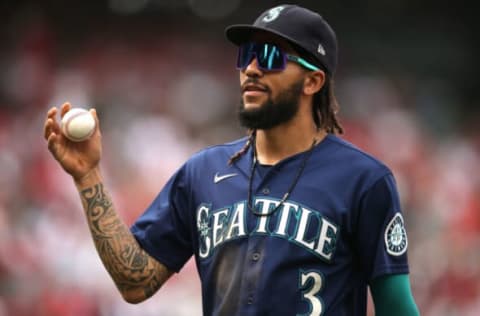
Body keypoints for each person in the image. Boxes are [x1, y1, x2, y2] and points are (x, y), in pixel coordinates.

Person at [43, 4, 420, 316]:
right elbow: (135, 281)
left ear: (313, 81)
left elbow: (397, 307)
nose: (251, 69)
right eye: (246, 55)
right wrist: (87, 175)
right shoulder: (202, 172)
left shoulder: (364, 180)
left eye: (270, 56)